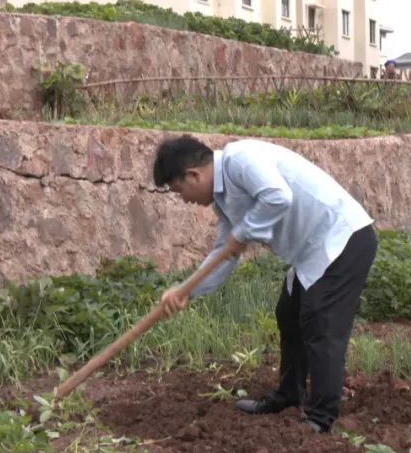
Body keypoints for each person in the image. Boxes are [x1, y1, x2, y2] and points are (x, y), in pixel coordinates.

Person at [152, 135, 378, 433]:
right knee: (289, 314)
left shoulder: (240, 160)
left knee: (320, 324)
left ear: (193, 174)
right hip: (312, 251)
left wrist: (243, 232)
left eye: (179, 190)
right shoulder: (225, 199)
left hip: (342, 238)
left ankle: (322, 417)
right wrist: (186, 291)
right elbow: (224, 255)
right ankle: (288, 396)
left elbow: (277, 196)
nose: (184, 199)